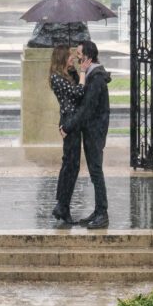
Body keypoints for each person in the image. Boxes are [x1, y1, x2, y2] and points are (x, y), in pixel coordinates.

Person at [61, 40, 111, 229]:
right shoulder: (90, 74)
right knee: (94, 171)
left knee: (96, 171)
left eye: (79, 54)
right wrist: (77, 71)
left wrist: (68, 126)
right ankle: (98, 211)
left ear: (88, 57)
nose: (77, 56)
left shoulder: (97, 78)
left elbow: (86, 108)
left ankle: (103, 213)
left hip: (95, 132)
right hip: (91, 130)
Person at [49, 44, 84, 224]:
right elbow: (78, 92)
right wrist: (83, 75)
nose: (73, 58)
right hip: (69, 123)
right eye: (70, 56)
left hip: (73, 122)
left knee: (71, 165)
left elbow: (78, 90)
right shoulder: (56, 78)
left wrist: (77, 72)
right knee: (70, 165)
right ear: (62, 58)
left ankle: (63, 206)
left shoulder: (68, 75)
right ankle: (62, 205)